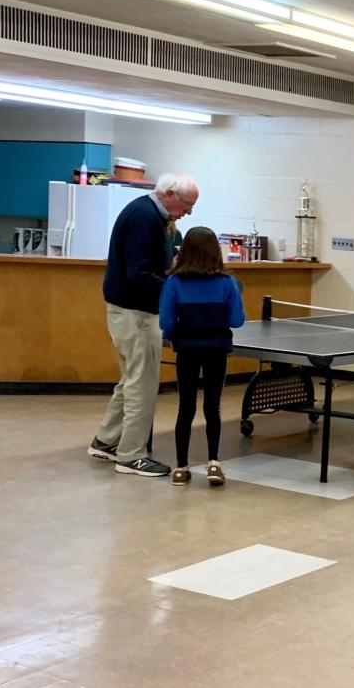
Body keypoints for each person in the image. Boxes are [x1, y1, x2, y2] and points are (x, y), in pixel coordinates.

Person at [87, 173, 199, 477]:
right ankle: (130, 455)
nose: (189, 212)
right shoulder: (144, 217)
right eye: (188, 204)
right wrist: (173, 289)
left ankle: (106, 441)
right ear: (171, 194)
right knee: (142, 384)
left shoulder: (149, 214)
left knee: (131, 380)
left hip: (129, 311)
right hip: (135, 313)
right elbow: (139, 274)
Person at [159, 226, 245, 486]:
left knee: (186, 407)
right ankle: (213, 464)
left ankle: (181, 467)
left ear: (184, 251)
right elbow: (237, 320)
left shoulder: (173, 283)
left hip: (187, 349)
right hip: (216, 349)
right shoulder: (227, 283)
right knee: (213, 406)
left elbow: (166, 323)